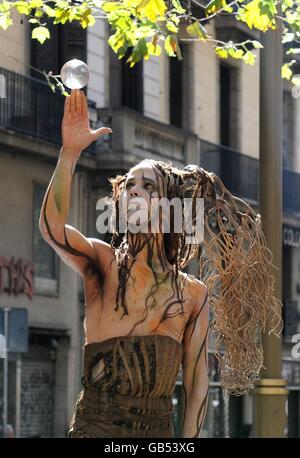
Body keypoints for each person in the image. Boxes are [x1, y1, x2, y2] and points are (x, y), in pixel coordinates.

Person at [39, 89, 282, 438]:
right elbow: (51, 229)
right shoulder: (102, 263)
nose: (134, 191)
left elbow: (197, 387)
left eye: (147, 186)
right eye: (130, 185)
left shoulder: (193, 294)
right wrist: (70, 153)